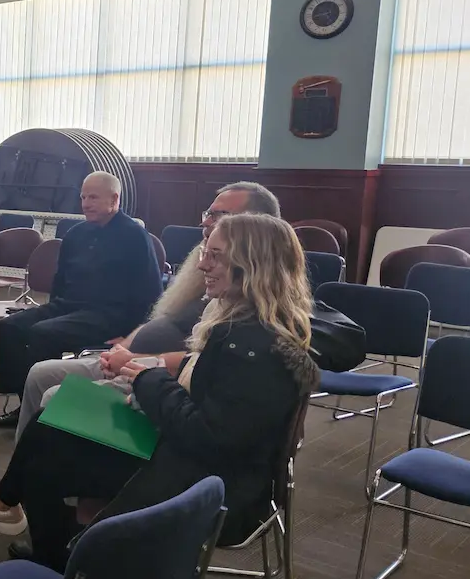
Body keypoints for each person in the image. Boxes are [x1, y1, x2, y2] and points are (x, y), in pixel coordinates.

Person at [0, 213, 317, 572]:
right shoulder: (248, 327)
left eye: (216, 256)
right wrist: (148, 371)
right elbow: (210, 389)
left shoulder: (250, 345)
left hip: (208, 487)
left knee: (47, 455)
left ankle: (42, 540)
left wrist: (147, 382)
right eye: (206, 253)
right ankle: (35, 530)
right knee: (52, 422)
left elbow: (210, 436)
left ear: (253, 265)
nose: (204, 265)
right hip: (195, 461)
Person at [15, 182, 281, 428]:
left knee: (54, 396)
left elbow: (200, 366)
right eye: (207, 214)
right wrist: (126, 344)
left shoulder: (253, 303)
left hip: (161, 381)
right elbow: (161, 319)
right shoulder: (216, 279)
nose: (205, 223)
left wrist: (134, 360)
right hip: (135, 360)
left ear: (254, 226)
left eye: (218, 215)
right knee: (39, 373)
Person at [0, 171, 161, 428]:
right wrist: (51, 308)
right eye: (83, 197)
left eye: (93, 197)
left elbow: (150, 291)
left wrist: (133, 335)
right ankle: (24, 400)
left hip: (110, 314)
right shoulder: (76, 233)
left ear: (114, 199)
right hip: (69, 306)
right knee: (9, 327)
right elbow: (60, 281)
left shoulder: (134, 236)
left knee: (42, 333)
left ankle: (42, 412)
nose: (85, 203)